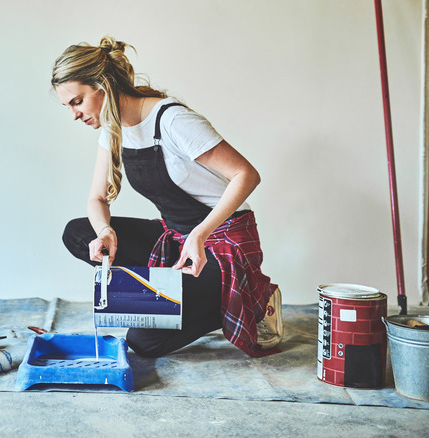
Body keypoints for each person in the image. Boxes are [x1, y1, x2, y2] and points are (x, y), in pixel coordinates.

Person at [52, 36, 282, 358]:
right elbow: (96, 199)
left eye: (77, 101)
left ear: (102, 85)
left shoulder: (173, 121)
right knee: (78, 232)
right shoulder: (112, 127)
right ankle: (174, 292)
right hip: (175, 239)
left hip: (222, 246)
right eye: (68, 106)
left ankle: (252, 298)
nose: (74, 114)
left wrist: (200, 234)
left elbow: (246, 175)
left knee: (143, 341)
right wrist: (105, 232)